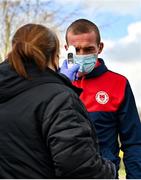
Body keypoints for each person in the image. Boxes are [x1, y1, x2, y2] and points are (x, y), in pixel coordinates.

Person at [0, 23, 116, 178]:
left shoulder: (7, 90)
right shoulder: (59, 98)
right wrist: (111, 170)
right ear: (54, 56)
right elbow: (80, 168)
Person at [60, 18, 141, 179]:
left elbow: (133, 142)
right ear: (66, 49)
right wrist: (61, 84)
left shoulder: (119, 84)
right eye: (76, 50)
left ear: (100, 47)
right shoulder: (54, 83)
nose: (82, 55)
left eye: (89, 49)